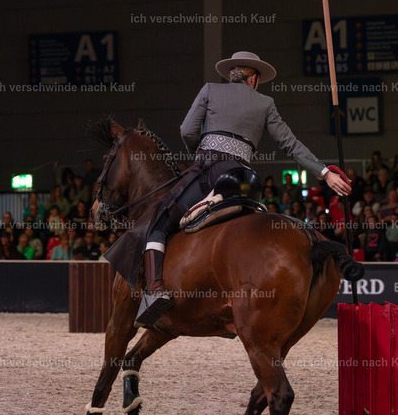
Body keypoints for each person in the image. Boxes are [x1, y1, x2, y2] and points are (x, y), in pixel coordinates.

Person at [106, 50, 351, 328]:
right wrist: (324, 173)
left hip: (210, 172)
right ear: (254, 79)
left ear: (233, 74)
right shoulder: (266, 103)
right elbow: (291, 144)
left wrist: (200, 154)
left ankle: (155, 290)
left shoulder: (210, 90)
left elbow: (187, 131)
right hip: (246, 181)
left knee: (158, 220)